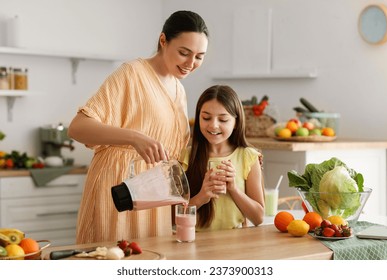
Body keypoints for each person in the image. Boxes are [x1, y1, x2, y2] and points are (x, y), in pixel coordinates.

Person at [68, 10, 209, 244]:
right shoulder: (131, 73)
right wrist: (134, 137)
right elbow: (78, 127)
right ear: (163, 41)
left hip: (154, 196)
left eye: (199, 56)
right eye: (184, 53)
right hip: (119, 189)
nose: (191, 64)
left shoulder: (179, 89)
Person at [180, 85, 265, 231]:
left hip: (235, 244)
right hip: (195, 243)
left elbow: (258, 218)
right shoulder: (185, 157)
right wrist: (201, 197)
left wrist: (233, 188)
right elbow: (171, 217)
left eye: (223, 120)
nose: (213, 125)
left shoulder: (248, 156)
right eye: (206, 117)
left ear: (236, 123)